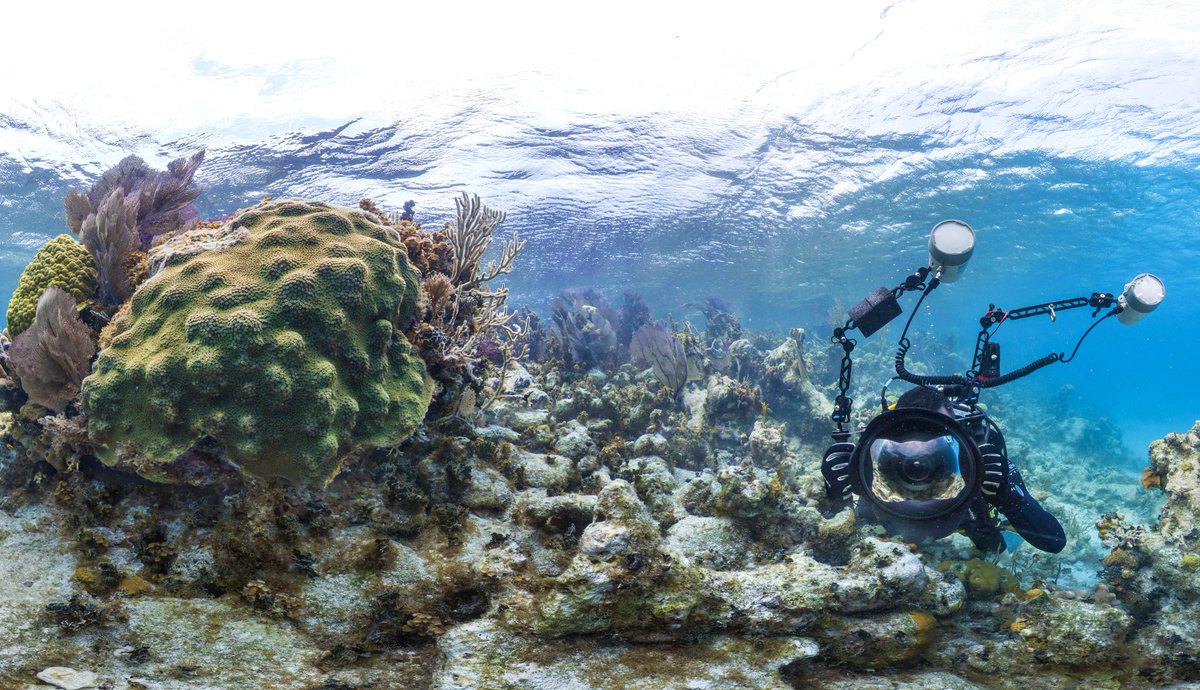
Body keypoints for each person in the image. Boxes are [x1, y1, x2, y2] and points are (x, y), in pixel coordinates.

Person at [822, 385, 1066, 554]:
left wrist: (1006, 496)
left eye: (939, 443)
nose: (918, 463)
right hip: (897, 531)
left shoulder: (979, 456)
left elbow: (1054, 541)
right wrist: (838, 497)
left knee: (993, 547)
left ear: (961, 434)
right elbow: (846, 536)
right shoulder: (880, 459)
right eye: (906, 450)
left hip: (968, 519)